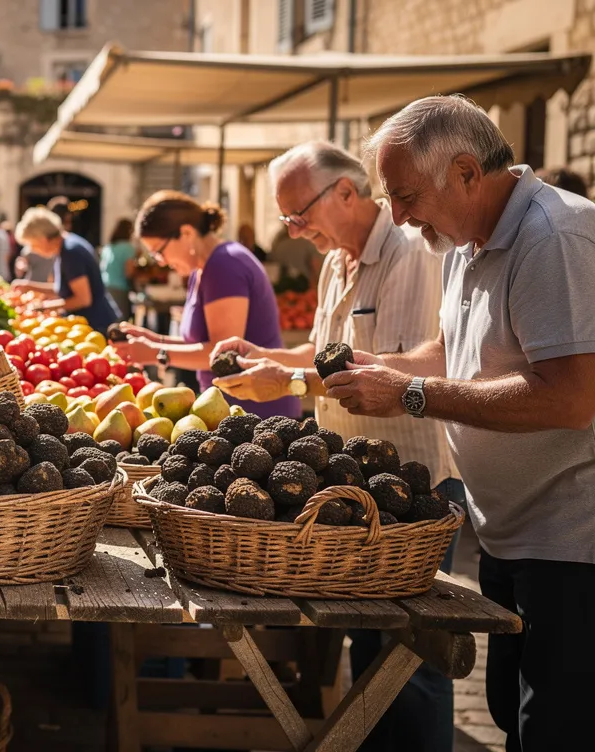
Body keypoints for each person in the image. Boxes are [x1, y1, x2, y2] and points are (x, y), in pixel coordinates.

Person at [328, 95, 595, 751]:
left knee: (556, 733)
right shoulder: (460, 240)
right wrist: (381, 368)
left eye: (406, 195)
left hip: (573, 543)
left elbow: (570, 397)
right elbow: (452, 353)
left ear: (469, 173)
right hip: (508, 532)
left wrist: (412, 395)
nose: (397, 215)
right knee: (511, 716)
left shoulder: (552, 238)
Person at [209, 142, 462, 752]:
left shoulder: (414, 251)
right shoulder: (335, 263)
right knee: (367, 643)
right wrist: (265, 358)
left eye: (299, 214)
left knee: (414, 658)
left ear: (347, 193)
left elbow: (413, 364)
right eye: (286, 219)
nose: (294, 230)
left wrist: (290, 382)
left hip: (414, 486)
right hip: (349, 484)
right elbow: (328, 355)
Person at [111, 191, 299, 419]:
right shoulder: (202, 269)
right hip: (230, 409)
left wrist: (158, 353)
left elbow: (222, 353)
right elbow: (202, 343)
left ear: (187, 233)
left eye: (159, 252)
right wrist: (153, 339)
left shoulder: (224, 263)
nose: (161, 262)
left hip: (256, 412)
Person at [10, 206, 121, 333]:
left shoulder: (71, 252)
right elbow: (62, 288)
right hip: (88, 325)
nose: (33, 250)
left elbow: (83, 299)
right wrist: (28, 286)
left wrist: (43, 307)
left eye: (33, 245)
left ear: (44, 240)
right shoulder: (65, 246)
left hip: (97, 326)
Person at [100, 218, 136, 318]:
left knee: (108, 318)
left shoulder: (108, 247)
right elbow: (129, 272)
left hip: (105, 287)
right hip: (119, 288)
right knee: (120, 322)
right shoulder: (128, 248)